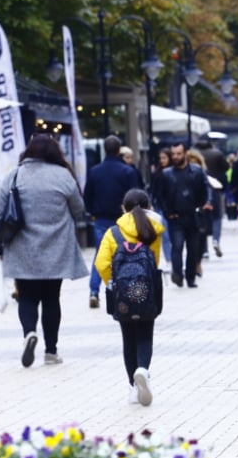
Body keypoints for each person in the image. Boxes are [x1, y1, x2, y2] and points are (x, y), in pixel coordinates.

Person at [0, 134, 89, 367]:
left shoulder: (14, 175)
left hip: (22, 247)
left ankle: (29, 334)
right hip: (57, 247)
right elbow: (79, 209)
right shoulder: (63, 175)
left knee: (27, 296)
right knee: (52, 298)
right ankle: (51, 351)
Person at [93, 189, 165, 406]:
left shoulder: (113, 233)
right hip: (146, 292)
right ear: (148, 207)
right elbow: (155, 261)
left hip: (122, 296)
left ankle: (133, 387)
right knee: (145, 334)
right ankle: (143, 369)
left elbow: (101, 263)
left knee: (128, 338)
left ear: (123, 208)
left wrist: (113, 285)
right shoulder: (152, 230)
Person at [83, 135, 141, 308]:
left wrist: (92, 212)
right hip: (123, 220)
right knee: (127, 255)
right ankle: (123, 289)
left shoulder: (95, 171)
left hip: (101, 218)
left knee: (100, 256)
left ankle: (94, 290)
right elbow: (136, 195)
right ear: (118, 150)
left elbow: (87, 196)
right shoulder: (127, 171)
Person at [159, 143, 211, 288]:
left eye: (178, 153)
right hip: (175, 217)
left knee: (193, 248)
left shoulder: (196, 171)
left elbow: (204, 190)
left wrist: (201, 206)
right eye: (173, 154)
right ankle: (177, 273)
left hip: (193, 216)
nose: (175, 157)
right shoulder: (167, 174)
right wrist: (168, 213)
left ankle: (190, 277)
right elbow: (161, 196)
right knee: (177, 245)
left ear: (185, 153)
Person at [195, 136, 229, 257]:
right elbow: (226, 167)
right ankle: (215, 240)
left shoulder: (194, 155)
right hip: (215, 187)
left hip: (199, 190)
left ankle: (204, 250)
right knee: (217, 217)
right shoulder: (217, 154)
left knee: (201, 219)